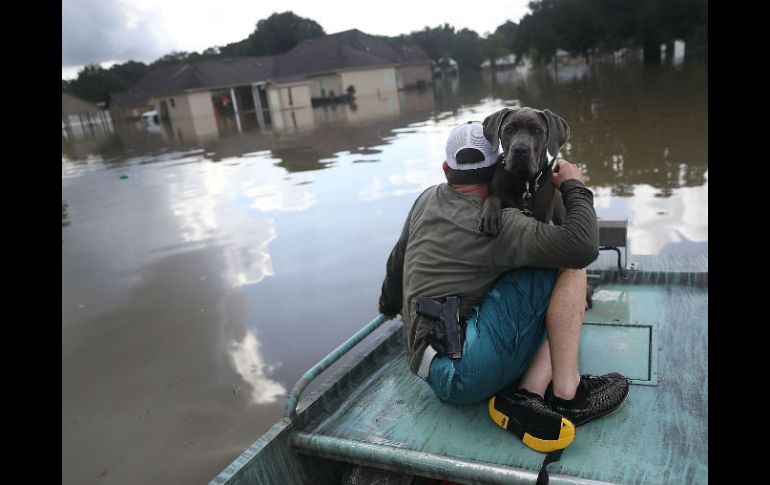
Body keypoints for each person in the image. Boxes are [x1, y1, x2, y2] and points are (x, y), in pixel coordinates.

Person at [378, 120, 629, 452]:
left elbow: (397, 264)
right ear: (497, 166)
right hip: (466, 374)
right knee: (567, 263)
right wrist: (574, 186)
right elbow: (583, 246)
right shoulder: (502, 224)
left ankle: (526, 383)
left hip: (423, 366)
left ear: (445, 168)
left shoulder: (426, 198)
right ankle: (564, 394)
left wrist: (389, 306)